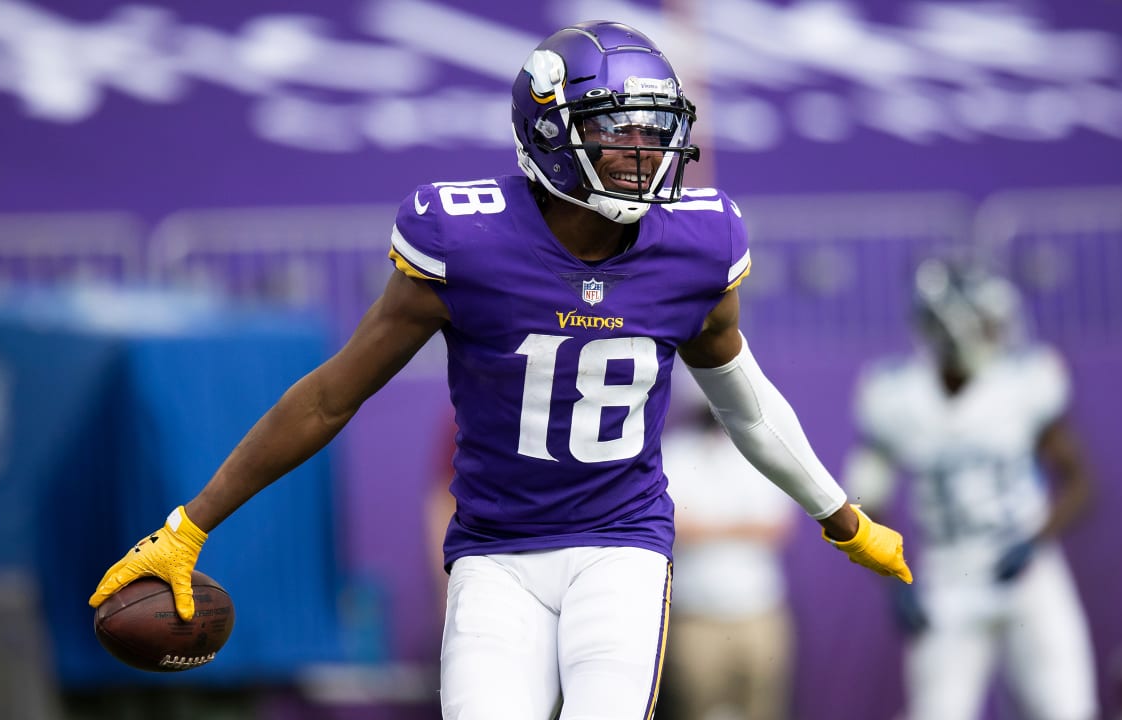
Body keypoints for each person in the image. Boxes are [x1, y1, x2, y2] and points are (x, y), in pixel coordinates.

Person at [89, 21, 911, 720]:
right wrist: (190, 525)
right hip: (494, 552)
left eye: (654, 127)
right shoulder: (466, 239)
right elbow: (332, 397)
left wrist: (842, 516)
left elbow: (748, 405)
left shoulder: (697, 244)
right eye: (617, 127)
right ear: (550, 130)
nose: (644, 149)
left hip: (620, 546)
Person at [842, 258, 1098, 720]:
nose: (995, 330)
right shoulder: (897, 396)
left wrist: (1034, 540)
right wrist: (893, 577)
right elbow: (864, 500)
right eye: (983, 320)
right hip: (948, 575)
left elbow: (1080, 481)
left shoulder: (1022, 383)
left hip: (1027, 571)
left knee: (1067, 707)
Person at [658, 373, 798, 720]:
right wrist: (738, 526)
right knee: (694, 708)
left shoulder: (762, 450)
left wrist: (708, 526)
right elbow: (673, 526)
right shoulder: (675, 451)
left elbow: (775, 526)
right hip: (695, 617)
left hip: (757, 612)